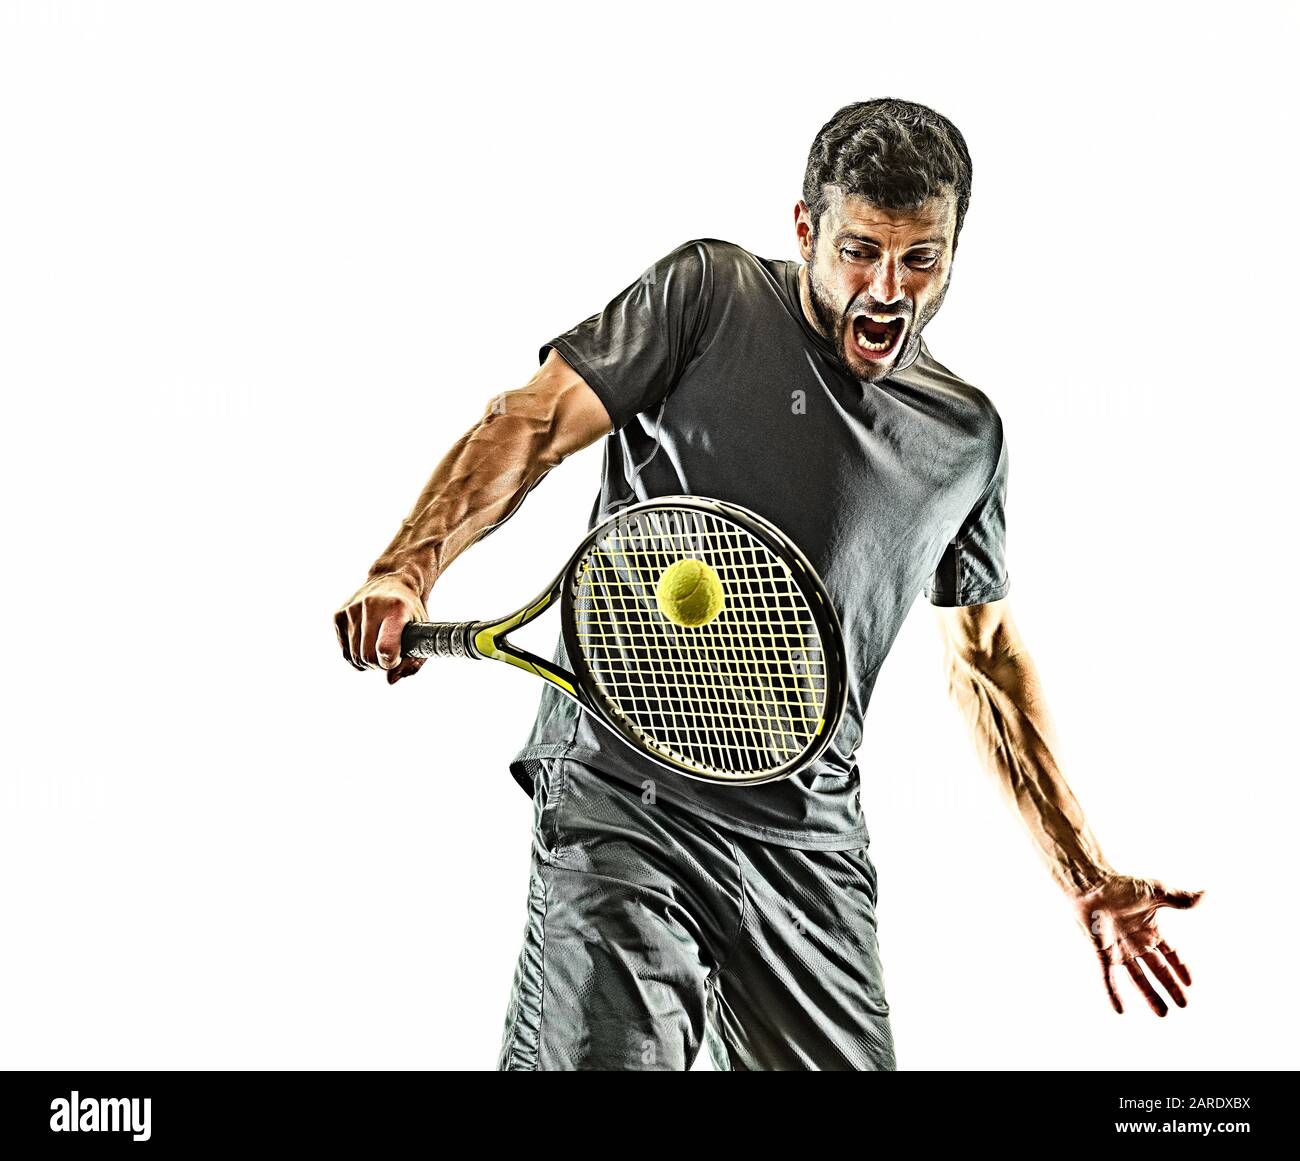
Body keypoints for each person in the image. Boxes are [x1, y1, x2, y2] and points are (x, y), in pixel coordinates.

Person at [334, 98, 1204, 1071]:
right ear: (804, 229)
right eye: (860, 252)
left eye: (921, 259)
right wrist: (408, 565)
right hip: (628, 796)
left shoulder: (965, 437)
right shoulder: (710, 294)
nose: (889, 290)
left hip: (805, 843)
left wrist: (1081, 870)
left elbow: (987, 662)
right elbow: (534, 423)